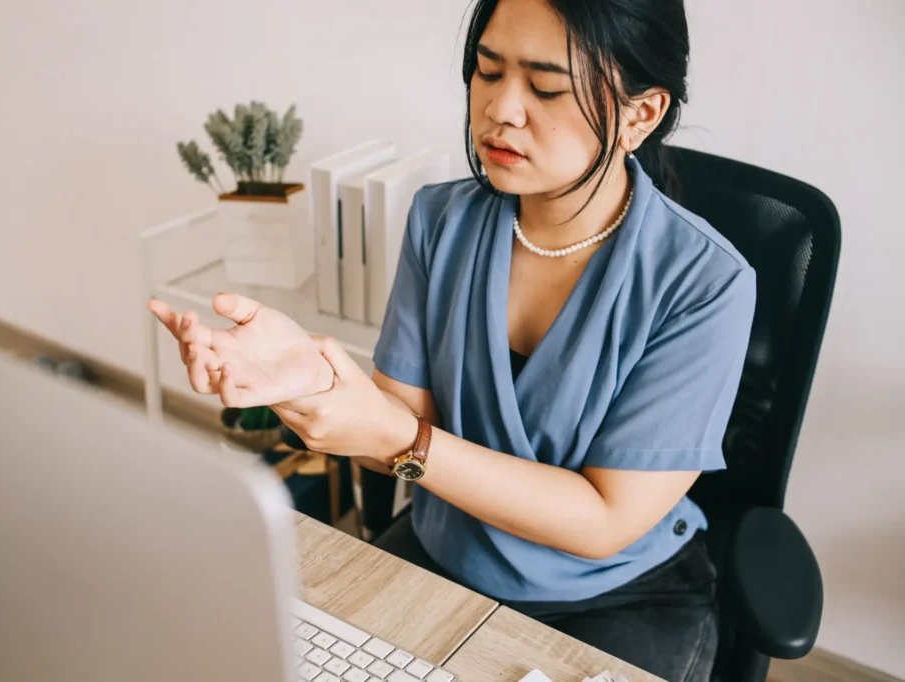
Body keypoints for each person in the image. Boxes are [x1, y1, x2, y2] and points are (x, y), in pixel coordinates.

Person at [148, 0, 755, 679]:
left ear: (640, 115)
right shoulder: (442, 221)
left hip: (617, 595)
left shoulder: (706, 284)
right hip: (449, 550)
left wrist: (398, 440)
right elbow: (393, 439)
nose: (501, 109)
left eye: (546, 87)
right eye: (487, 72)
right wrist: (316, 385)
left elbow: (602, 521)